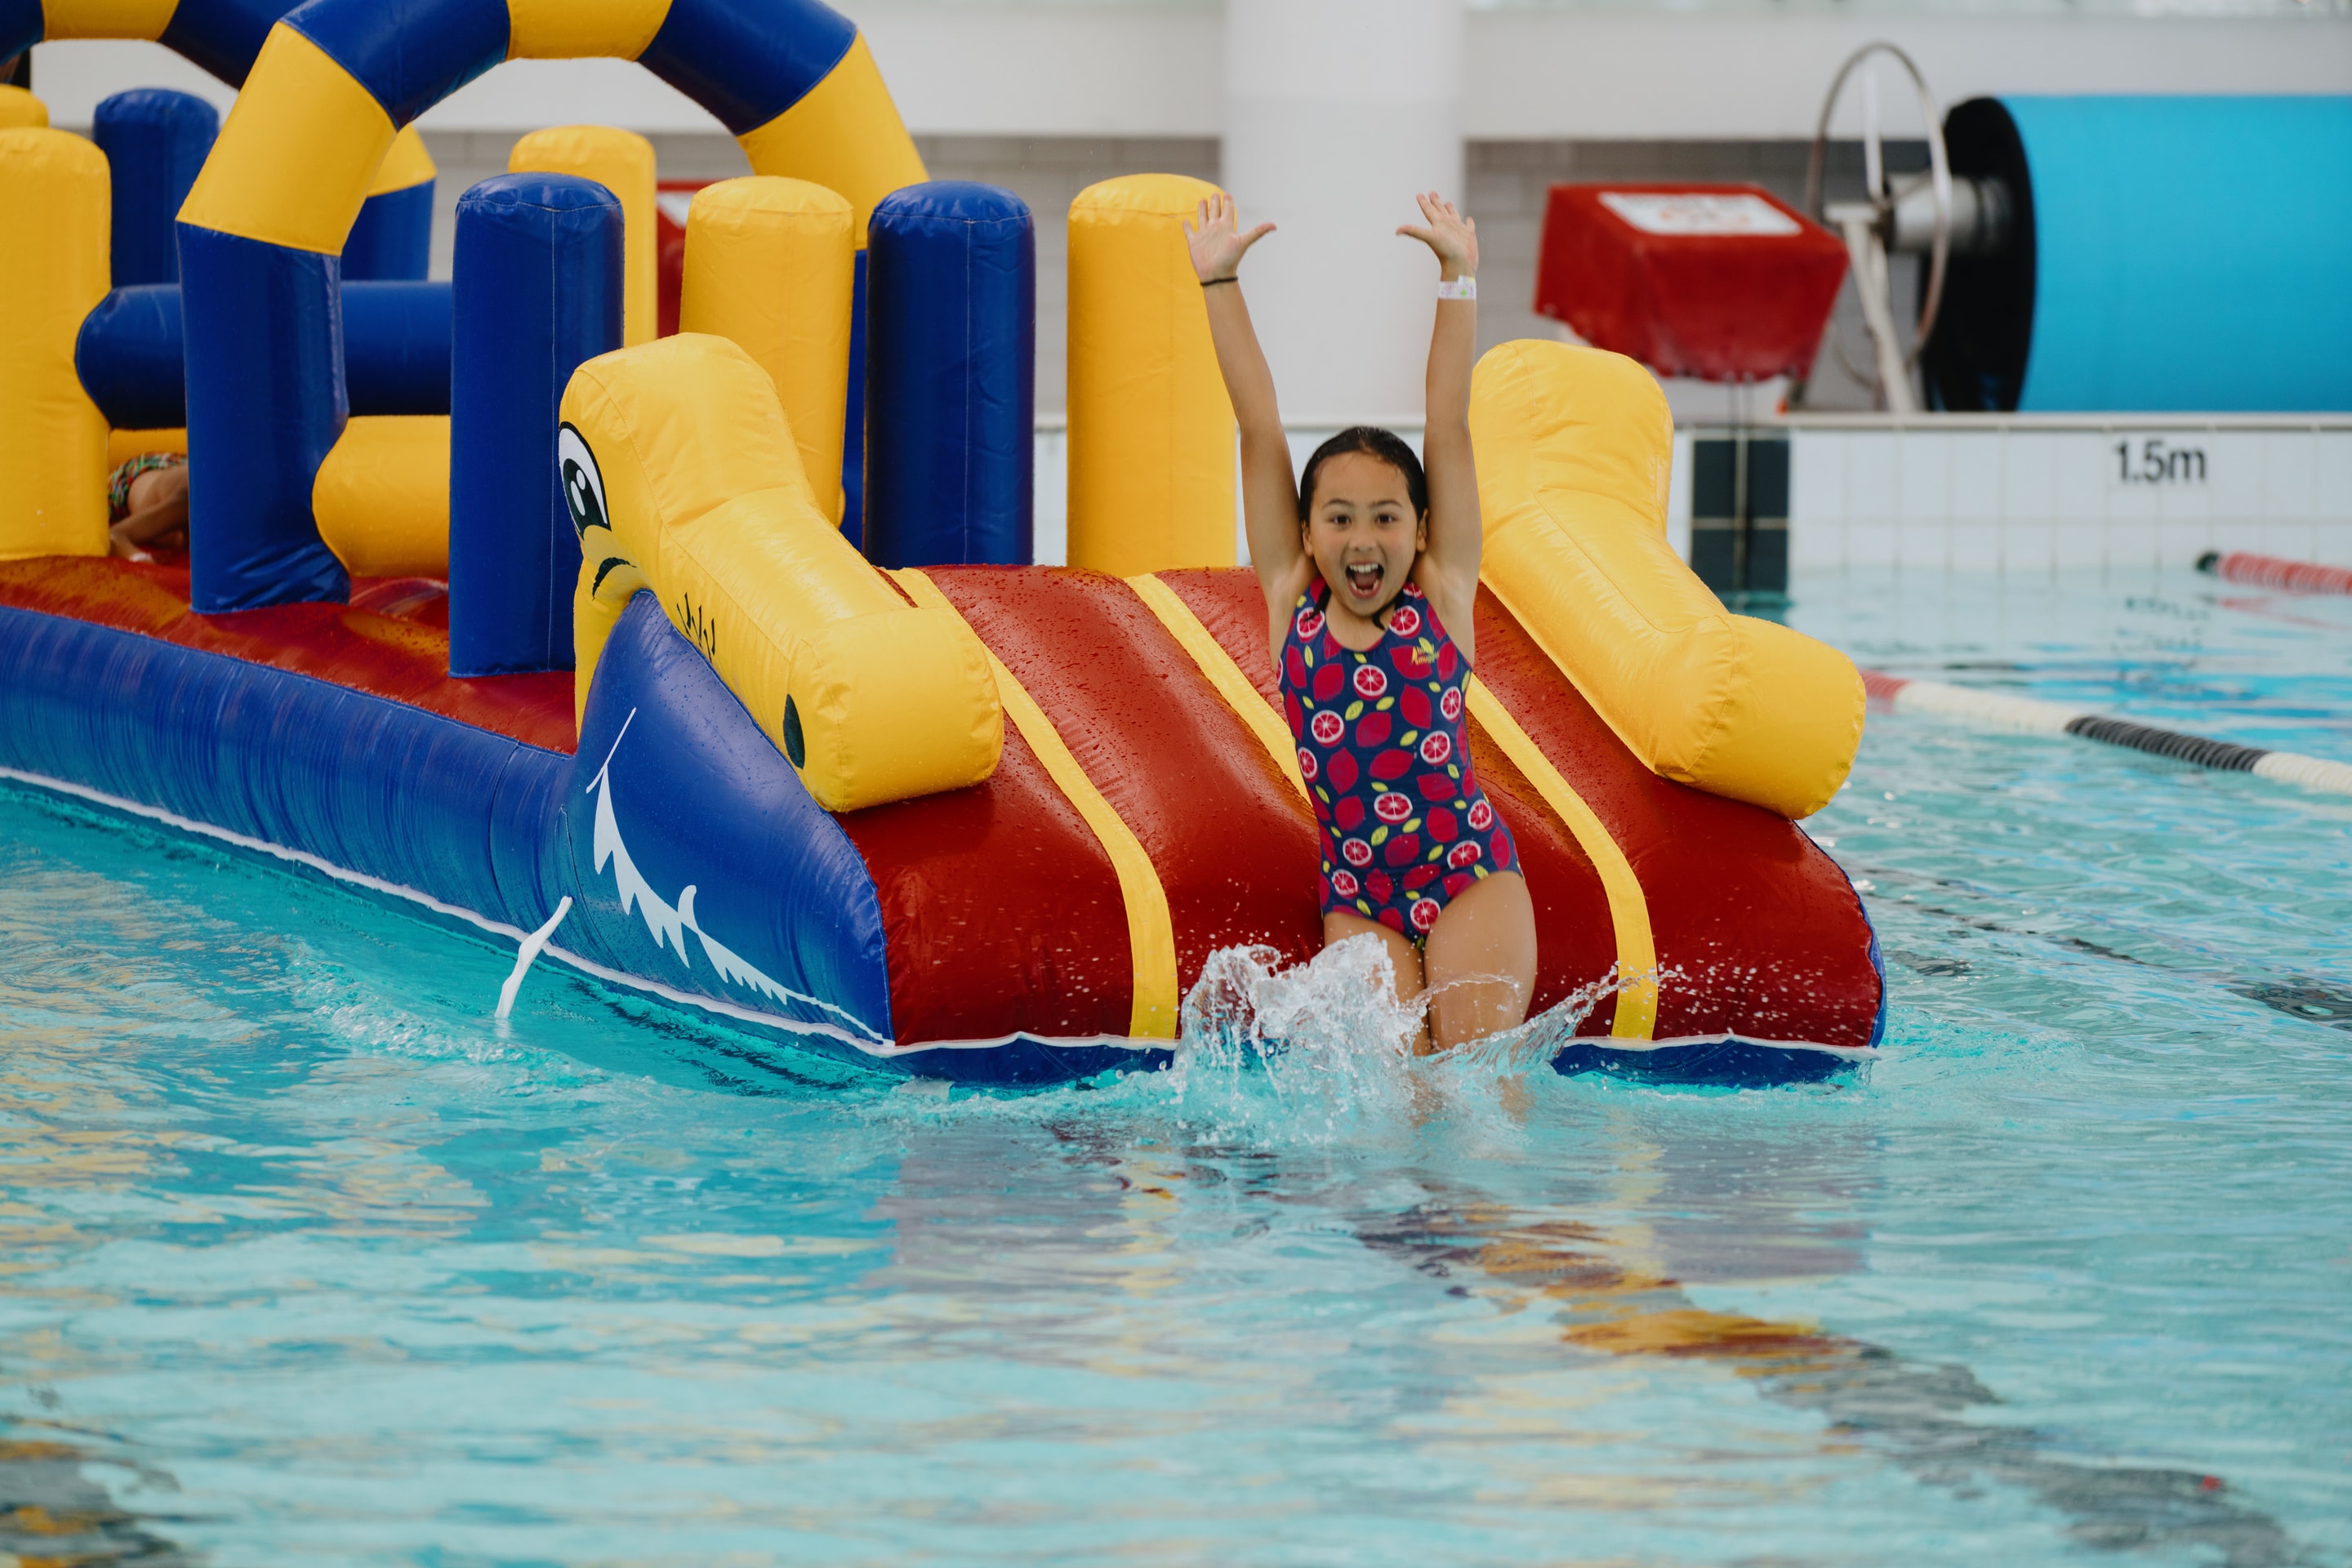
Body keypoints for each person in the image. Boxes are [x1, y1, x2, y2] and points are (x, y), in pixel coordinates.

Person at [1186, 190, 1538, 1054]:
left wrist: (1457, 279)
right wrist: (1220, 281)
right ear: (1306, 535)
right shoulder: (1289, 605)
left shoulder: (1443, 596)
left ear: (1420, 532)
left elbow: (1446, 425)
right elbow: (1258, 425)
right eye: (1338, 517)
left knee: (1477, 1087)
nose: (1363, 537)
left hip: (1468, 874)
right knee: (1393, 1116)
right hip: (1357, 894)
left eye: (1387, 516)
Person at [108, 450, 189, 561]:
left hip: (173, 465)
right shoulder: (184, 503)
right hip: (132, 474)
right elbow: (114, 536)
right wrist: (141, 559)